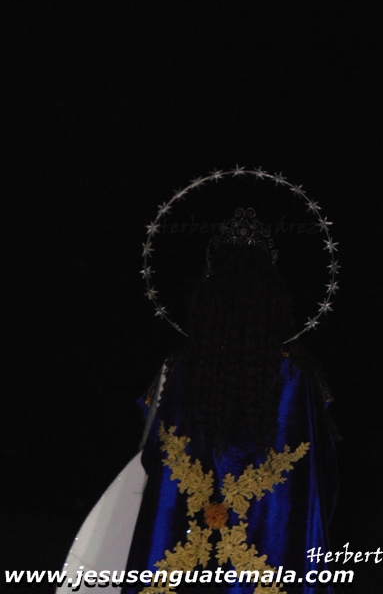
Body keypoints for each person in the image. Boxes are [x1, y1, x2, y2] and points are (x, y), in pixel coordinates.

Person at [122, 239, 339, 594]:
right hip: (272, 540)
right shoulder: (298, 377)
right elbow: (323, 470)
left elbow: (150, 455)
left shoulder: (180, 369)